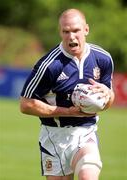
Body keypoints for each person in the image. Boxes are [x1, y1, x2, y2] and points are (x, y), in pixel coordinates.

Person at [20, 8, 115, 180]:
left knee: (89, 172)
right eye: (66, 31)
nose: (71, 36)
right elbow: (26, 105)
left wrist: (108, 94)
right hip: (54, 135)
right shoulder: (49, 65)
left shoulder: (103, 59)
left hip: (85, 131)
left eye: (76, 30)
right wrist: (67, 112)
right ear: (60, 32)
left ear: (86, 29)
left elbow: (108, 101)